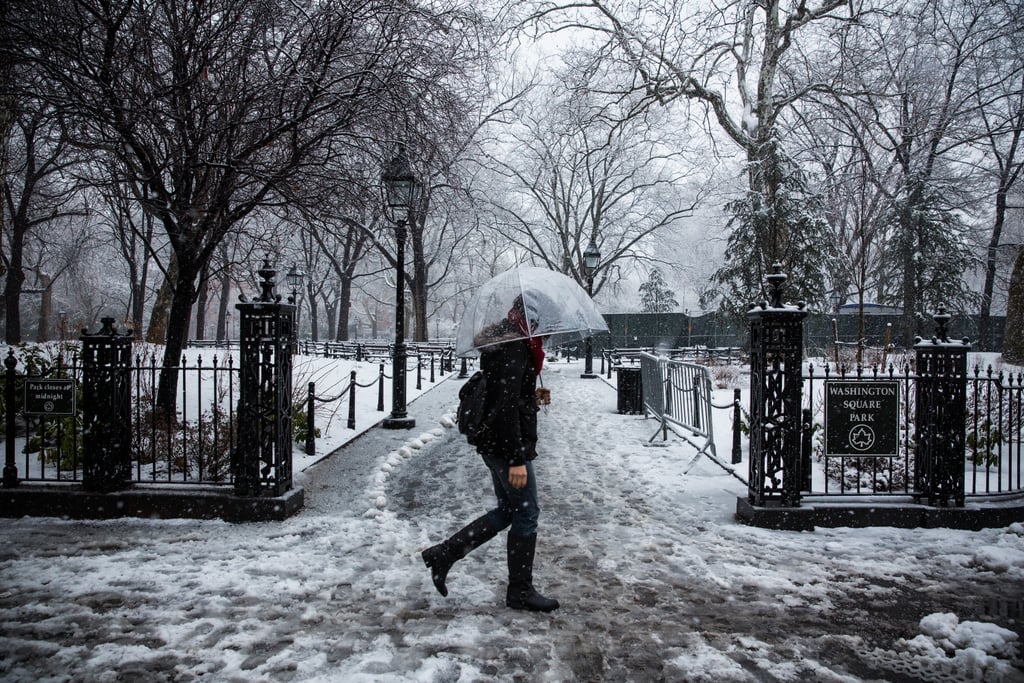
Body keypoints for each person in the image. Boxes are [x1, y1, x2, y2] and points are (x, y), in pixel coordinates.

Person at [421, 295, 559, 612]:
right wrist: (517, 461)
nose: (543, 331)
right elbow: (506, 407)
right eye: (540, 323)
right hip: (508, 448)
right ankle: (520, 592)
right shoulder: (514, 347)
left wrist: (533, 395)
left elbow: (509, 396)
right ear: (530, 319)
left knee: (509, 510)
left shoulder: (511, 341)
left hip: (498, 444)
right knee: (527, 513)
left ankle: (445, 553)